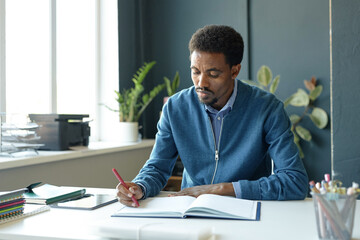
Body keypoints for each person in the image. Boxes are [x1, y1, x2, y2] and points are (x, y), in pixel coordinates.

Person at [116, 25, 308, 207]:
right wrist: (139, 187)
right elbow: (157, 167)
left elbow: (295, 180)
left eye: (213, 74)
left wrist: (221, 189)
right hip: (193, 211)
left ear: (235, 70)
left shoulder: (267, 108)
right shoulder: (175, 108)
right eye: (195, 72)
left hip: (248, 209)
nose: (201, 82)